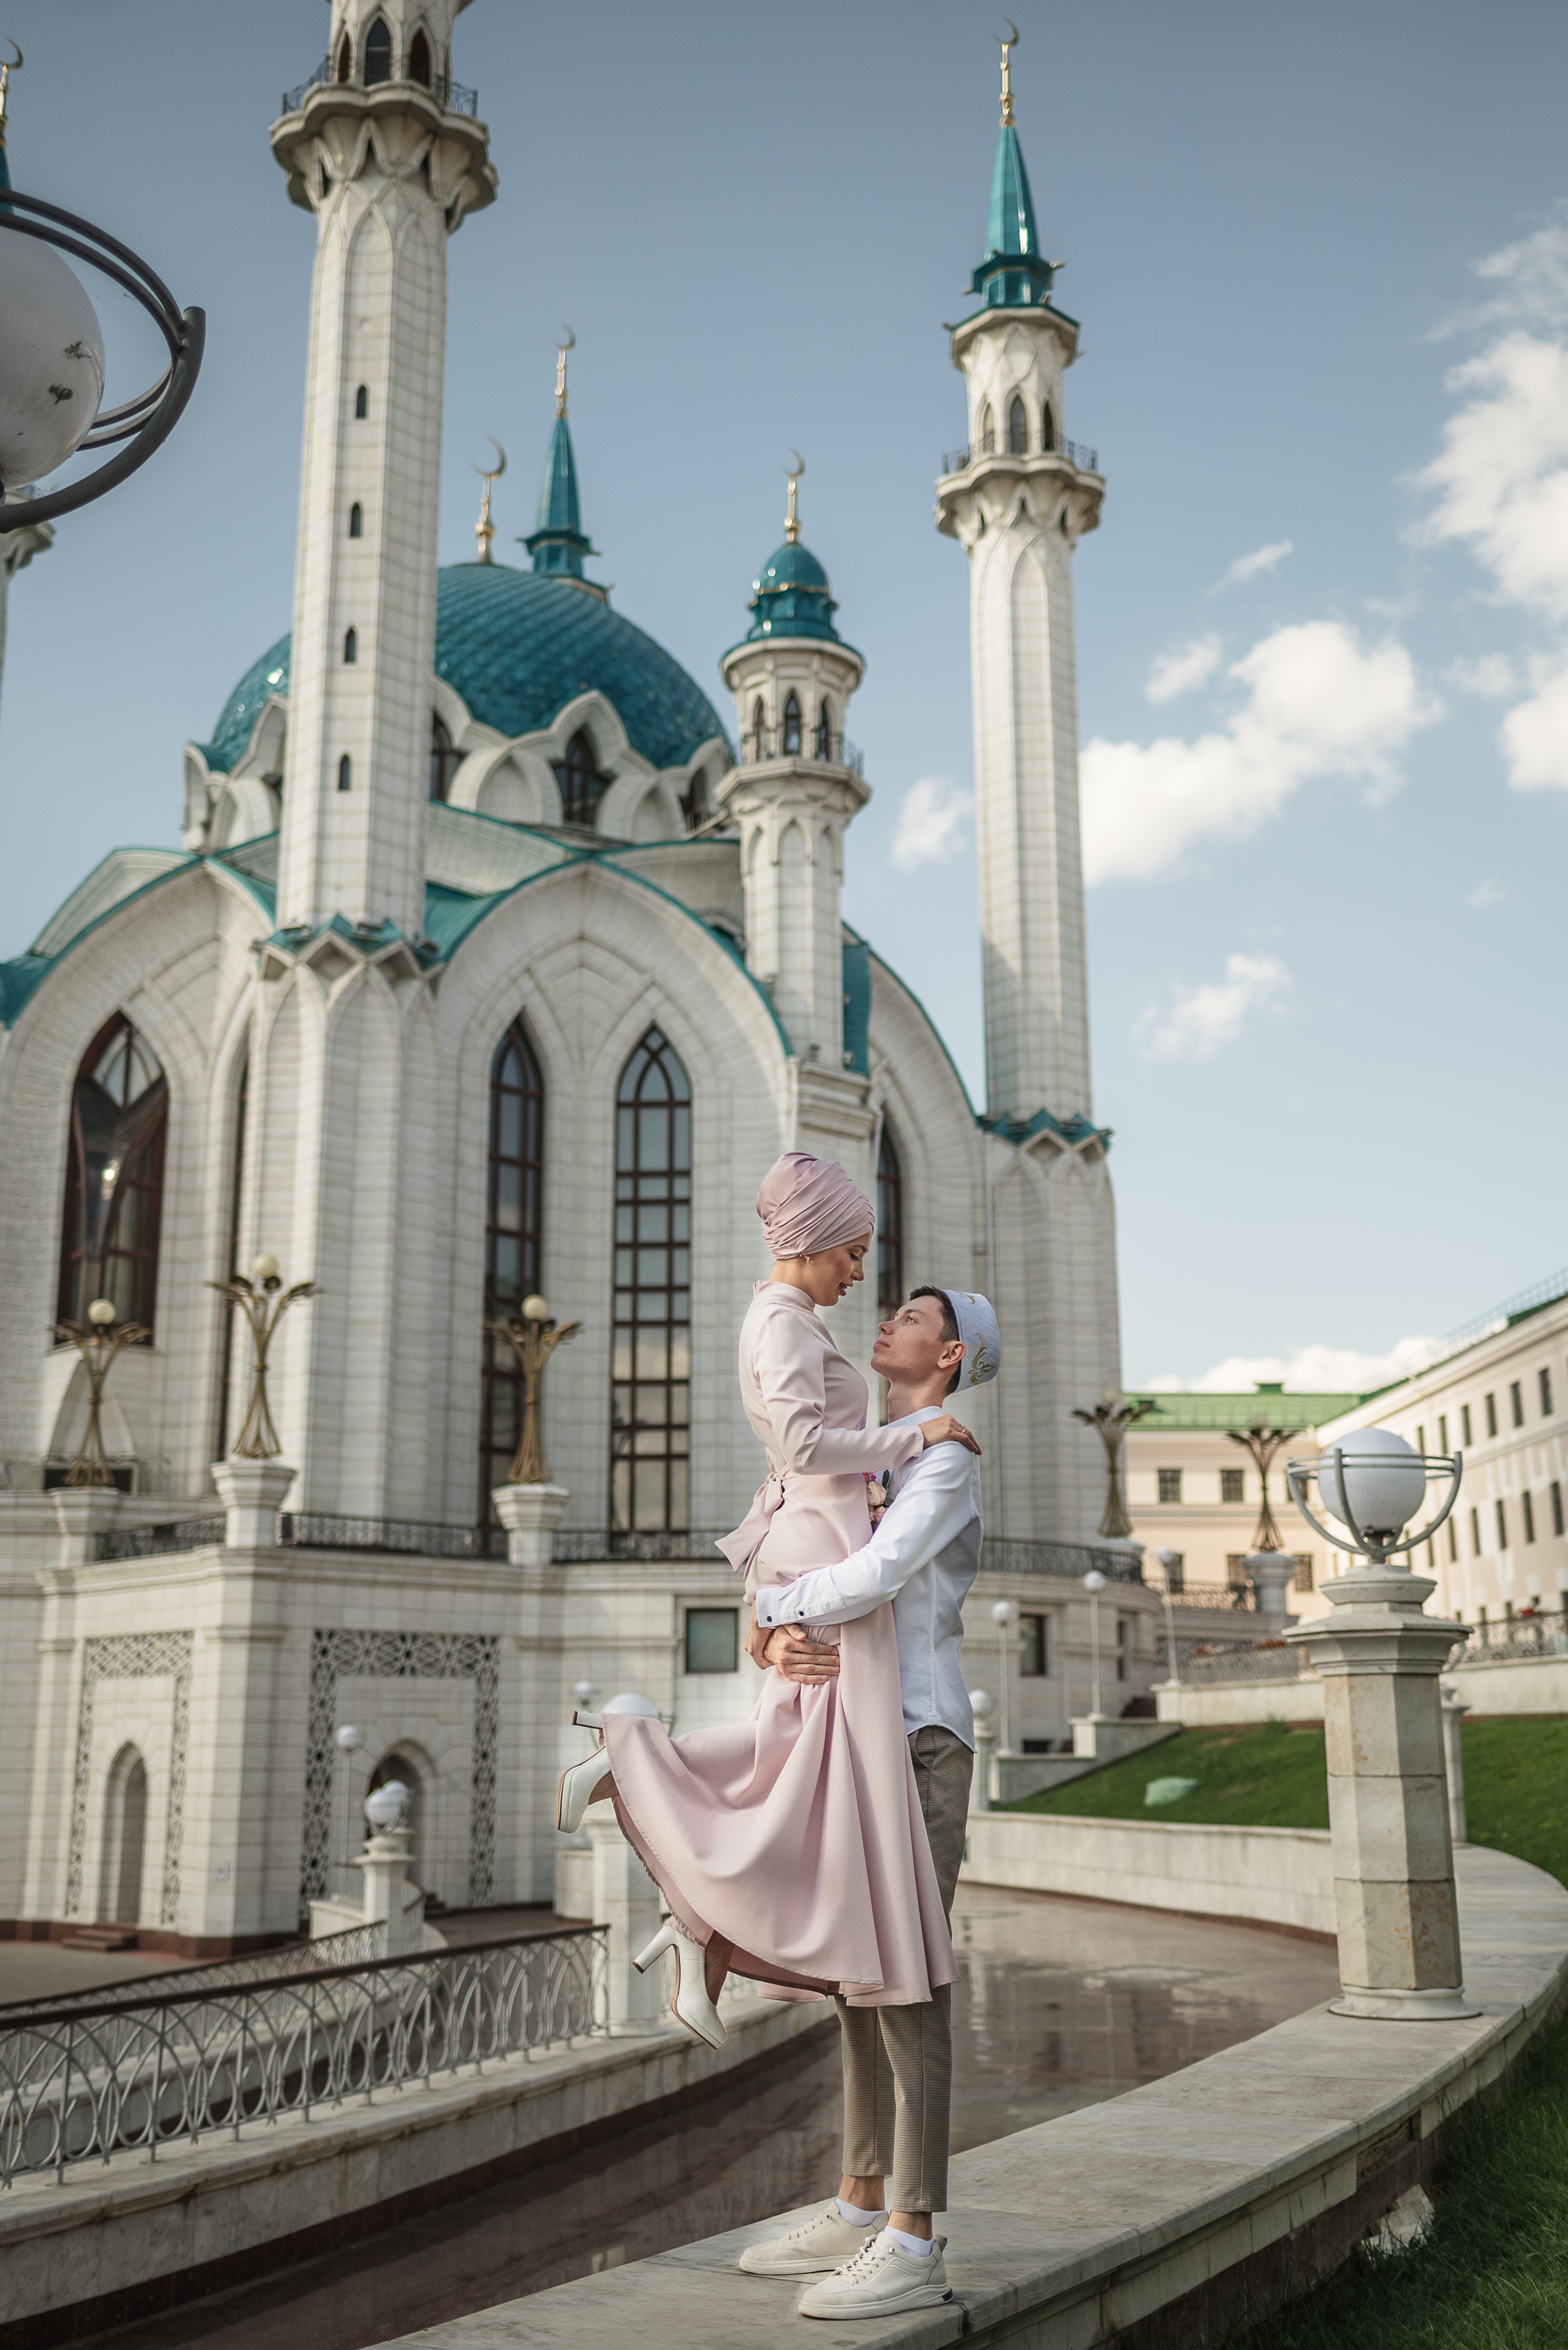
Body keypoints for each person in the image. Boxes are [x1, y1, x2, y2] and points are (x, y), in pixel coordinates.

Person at [553, 1153, 980, 2054]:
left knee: (793, 1755)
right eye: (853, 1253)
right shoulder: (783, 1323)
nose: (859, 1274)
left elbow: (792, 1466)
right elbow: (797, 1444)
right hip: (823, 1552)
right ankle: (638, 1776)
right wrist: (912, 1433)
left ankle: (696, 1924)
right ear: (817, 1240)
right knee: (804, 1759)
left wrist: (769, 1598)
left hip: (813, 1541)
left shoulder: (785, 1319)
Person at [735, 1280, 998, 2322]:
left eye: (915, 1318)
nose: (887, 1319)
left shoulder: (943, 1463)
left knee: (913, 1984)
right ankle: (856, 2203)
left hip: (921, 1743)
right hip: (854, 1735)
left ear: (949, 1358)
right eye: (889, 1307)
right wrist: (769, 1630)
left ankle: (916, 2234)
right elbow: (798, 1543)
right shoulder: (873, 1450)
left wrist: (771, 1605)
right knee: (856, 1975)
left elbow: (880, 1575)